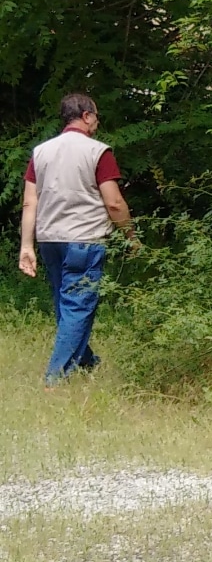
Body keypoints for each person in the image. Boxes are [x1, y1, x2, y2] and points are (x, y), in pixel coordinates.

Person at [17, 93, 135, 387]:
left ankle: (87, 361)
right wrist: (132, 236)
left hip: (49, 240)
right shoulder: (98, 152)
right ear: (85, 116)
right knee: (78, 307)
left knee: (65, 303)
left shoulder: (40, 152)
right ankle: (55, 380)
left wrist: (26, 246)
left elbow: (30, 203)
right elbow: (115, 204)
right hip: (84, 240)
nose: (97, 121)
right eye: (95, 115)